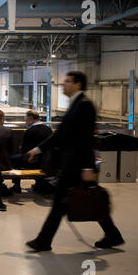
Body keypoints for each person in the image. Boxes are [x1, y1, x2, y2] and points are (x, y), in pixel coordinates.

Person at [26, 71, 124, 251]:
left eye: (67, 81)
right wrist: (38, 149)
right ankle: (112, 234)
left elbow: (87, 139)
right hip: (72, 165)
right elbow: (60, 135)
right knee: (79, 200)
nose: (63, 84)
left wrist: (88, 166)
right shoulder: (76, 105)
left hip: (78, 166)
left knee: (71, 202)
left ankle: (44, 241)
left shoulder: (85, 106)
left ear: (78, 84)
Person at [11, 110, 52, 193]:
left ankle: (17, 185)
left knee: (12, 159)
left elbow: (25, 151)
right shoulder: (48, 129)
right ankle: (39, 183)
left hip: (32, 161)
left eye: (26, 120)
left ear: (31, 119)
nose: (25, 122)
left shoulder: (30, 131)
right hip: (46, 161)